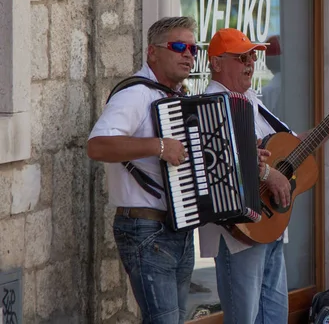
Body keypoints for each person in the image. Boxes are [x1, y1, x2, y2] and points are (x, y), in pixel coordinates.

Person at [86, 17, 269, 324]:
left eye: (193, 49)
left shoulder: (178, 99)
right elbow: (98, 145)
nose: (188, 55)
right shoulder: (135, 95)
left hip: (178, 228)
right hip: (145, 229)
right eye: (179, 46)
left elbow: (204, 162)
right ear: (152, 53)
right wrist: (158, 147)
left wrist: (245, 162)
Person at [199, 27, 329, 324]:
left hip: (269, 225)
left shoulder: (251, 99)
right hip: (239, 231)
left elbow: (292, 147)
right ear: (217, 63)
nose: (249, 63)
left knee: (274, 316)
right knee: (244, 318)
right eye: (240, 57)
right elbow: (218, 158)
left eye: (251, 56)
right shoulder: (209, 105)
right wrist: (266, 172)